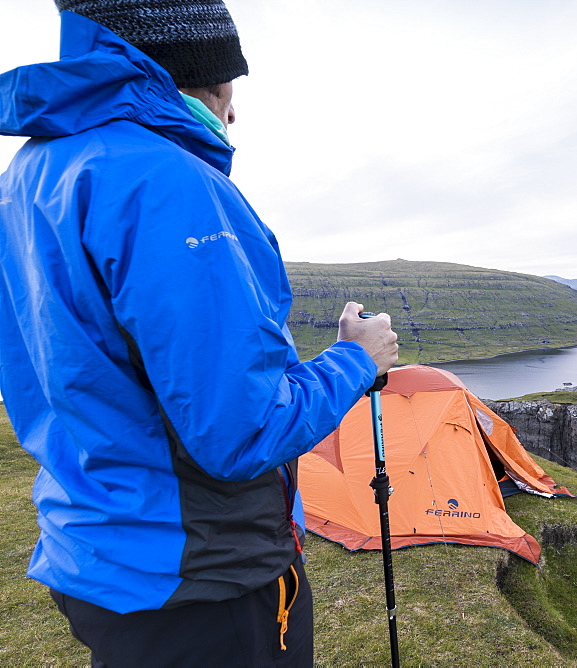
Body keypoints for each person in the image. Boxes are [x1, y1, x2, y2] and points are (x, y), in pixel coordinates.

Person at [0, 1, 398, 665]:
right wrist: (356, 359)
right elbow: (241, 432)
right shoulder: (170, 183)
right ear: (182, 69)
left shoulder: (29, 177)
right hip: (203, 577)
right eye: (225, 86)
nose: (233, 110)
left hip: (97, 550)